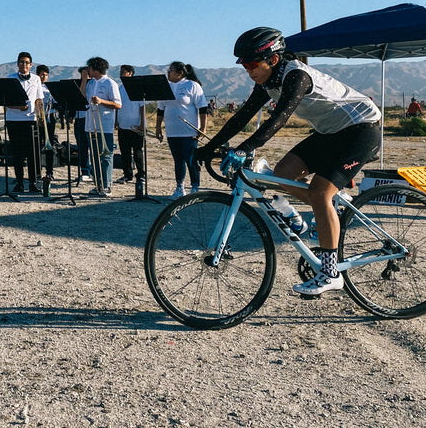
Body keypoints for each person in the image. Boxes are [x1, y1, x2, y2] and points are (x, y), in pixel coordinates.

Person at [195, 27, 382, 296]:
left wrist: (246, 147)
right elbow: (241, 117)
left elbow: (279, 118)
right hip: (331, 132)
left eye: (251, 64)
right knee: (282, 173)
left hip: (361, 129)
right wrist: (208, 147)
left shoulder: (297, 76)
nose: (248, 71)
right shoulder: (267, 82)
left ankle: (331, 273)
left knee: (319, 192)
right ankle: (331, 211)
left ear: (272, 59)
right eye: (244, 66)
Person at [155, 61, 209, 198]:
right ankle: (180, 188)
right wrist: (158, 128)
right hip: (172, 131)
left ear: (180, 73)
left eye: (171, 70)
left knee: (191, 160)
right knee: (178, 160)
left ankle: (195, 188)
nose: (168, 72)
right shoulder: (165, 87)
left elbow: (202, 108)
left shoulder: (192, 85)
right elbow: (160, 109)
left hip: (189, 132)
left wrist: (203, 127)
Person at [5, 52, 44, 194]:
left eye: (27, 63)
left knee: (33, 153)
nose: (24, 65)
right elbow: (6, 102)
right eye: (21, 62)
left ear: (31, 65)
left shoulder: (36, 79)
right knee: (17, 153)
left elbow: (39, 98)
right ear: (17, 63)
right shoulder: (10, 79)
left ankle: (33, 183)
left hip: (30, 120)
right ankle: (19, 182)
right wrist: (18, 107)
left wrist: (40, 115)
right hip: (14, 120)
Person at [84, 57, 121, 196]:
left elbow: (118, 104)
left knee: (105, 155)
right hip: (91, 124)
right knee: (94, 156)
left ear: (94, 68)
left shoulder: (110, 83)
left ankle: (107, 185)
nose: (88, 70)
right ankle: (98, 184)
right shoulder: (90, 83)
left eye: (89, 68)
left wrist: (101, 101)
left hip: (104, 125)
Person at [116, 64, 147, 195]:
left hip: (136, 126)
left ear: (130, 73)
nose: (121, 74)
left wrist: (141, 123)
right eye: (120, 72)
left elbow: (142, 107)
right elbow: (118, 105)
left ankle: (141, 174)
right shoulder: (120, 88)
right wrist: (116, 120)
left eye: (124, 72)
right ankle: (127, 174)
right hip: (123, 125)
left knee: (138, 151)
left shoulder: (137, 88)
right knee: (125, 151)